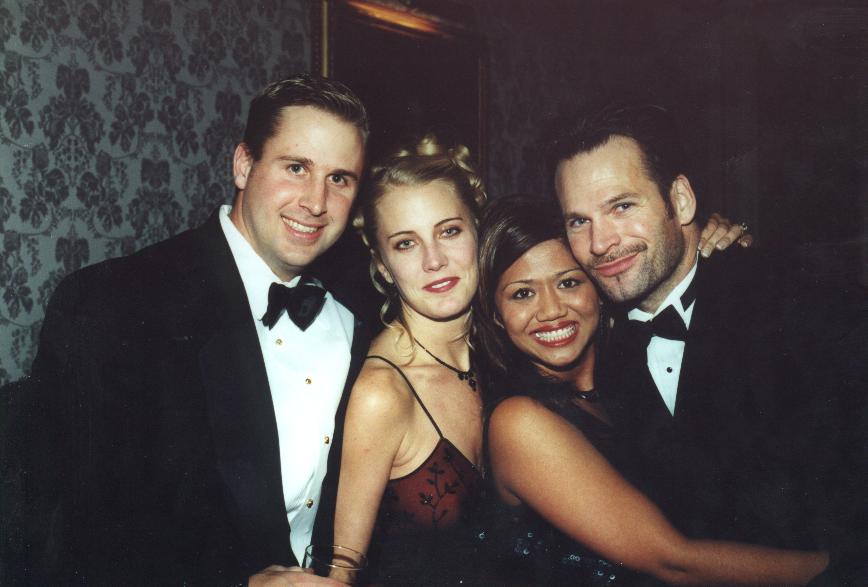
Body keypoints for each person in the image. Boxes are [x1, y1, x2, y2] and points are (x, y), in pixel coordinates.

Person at [3, 74, 370, 586]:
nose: (316, 201)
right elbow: (79, 528)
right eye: (296, 167)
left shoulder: (362, 309)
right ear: (243, 164)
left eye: (340, 179)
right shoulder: (115, 302)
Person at [549, 103, 867, 582]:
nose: (600, 243)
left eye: (622, 206)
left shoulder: (800, 303)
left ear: (680, 200)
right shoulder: (588, 348)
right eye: (578, 221)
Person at [476, 193, 829, 585]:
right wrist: (837, 570)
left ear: (599, 288)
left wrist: (718, 246)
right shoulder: (519, 422)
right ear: (496, 315)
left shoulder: (631, 375)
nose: (551, 310)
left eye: (568, 282)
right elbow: (674, 561)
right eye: (522, 293)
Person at [332, 135, 486, 585]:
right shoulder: (382, 393)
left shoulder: (506, 347)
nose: (434, 260)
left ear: (479, 231)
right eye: (405, 244)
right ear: (382, 265)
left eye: (449, 231)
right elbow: (341, 573)